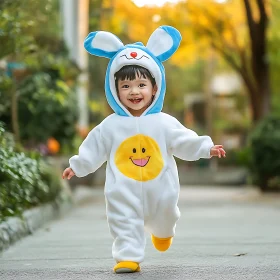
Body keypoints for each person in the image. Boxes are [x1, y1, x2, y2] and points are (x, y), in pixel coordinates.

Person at [62, 26, 226, 274]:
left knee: (166, 216)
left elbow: (185, 140)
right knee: (122, 219)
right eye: (126, 86)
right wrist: (78, 165)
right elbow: (93, 147)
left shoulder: (163, 122)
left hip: (162, 189)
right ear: (114, 90)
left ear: (155, 87)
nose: (134, 91)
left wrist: (206, 147)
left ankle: (163, 232)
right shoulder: (110, 126)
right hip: (122, 189)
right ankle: (127, 256)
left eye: (141, 84)